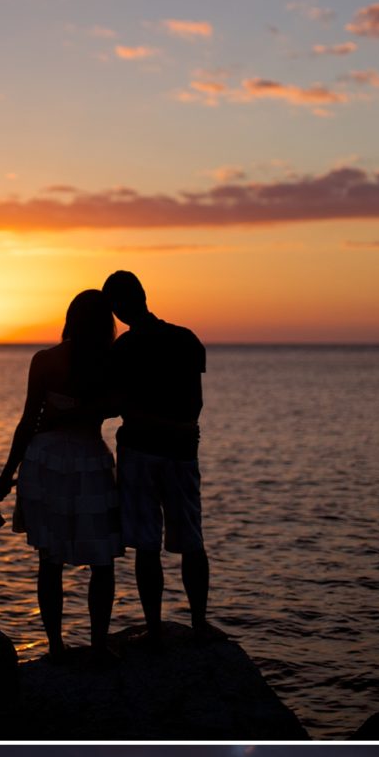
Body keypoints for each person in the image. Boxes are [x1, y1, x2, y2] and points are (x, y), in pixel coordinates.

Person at [0, 292, 123, 661]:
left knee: (49, 561)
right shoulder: (109, 363)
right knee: (102, 561)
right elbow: (118, 406)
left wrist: (5, 478)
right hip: (88, 459)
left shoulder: (45, 360)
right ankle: (98, 645)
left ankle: (55, 646)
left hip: (45, 459)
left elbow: (28, 421)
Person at [102, 270, 210, 644]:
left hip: (141, 453)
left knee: (148, 545)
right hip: (179, 452)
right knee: (189, 539)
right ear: (144, 295)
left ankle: (154, 629)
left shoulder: (123, 349)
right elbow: (194, 404)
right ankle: (198, 623)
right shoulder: (185, 339)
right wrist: (175, 428)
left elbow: (118, 407)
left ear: (117, 308)